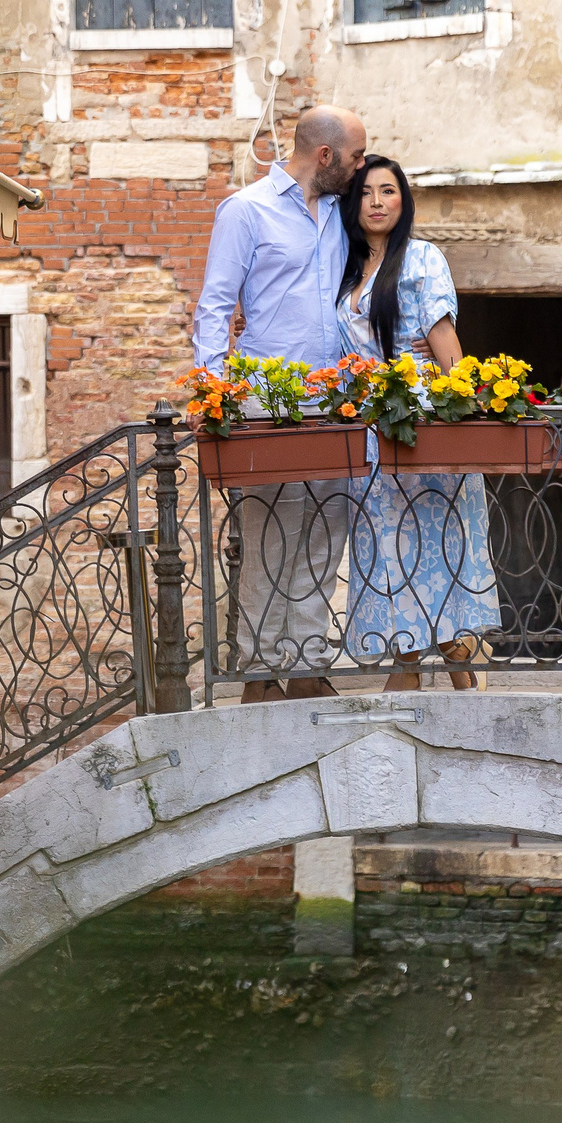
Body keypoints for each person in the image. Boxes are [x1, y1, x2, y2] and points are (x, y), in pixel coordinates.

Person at [193, 106, 368, 703]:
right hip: (267, 398)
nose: (361, 166)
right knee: (268, 533)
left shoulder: (345, 216)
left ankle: (308, 664)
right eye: (355, 156)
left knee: (327, 530)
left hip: (339, 399)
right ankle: (259, 671)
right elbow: (215, 305)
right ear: (325, 157)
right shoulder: (246, 211)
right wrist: (214, 394)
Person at [332, 156, 499, 691]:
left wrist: (464, 405)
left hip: (422, 414)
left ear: (403, 203)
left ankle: (444, 654)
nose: (377, 201)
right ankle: (423, 655)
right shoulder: (343, 266)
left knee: (436, 539)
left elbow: (443, 338)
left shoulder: (423, 258)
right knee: (384, 544)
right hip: (368, 426)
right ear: (352, 203)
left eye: (389, 191)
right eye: (366, 192)